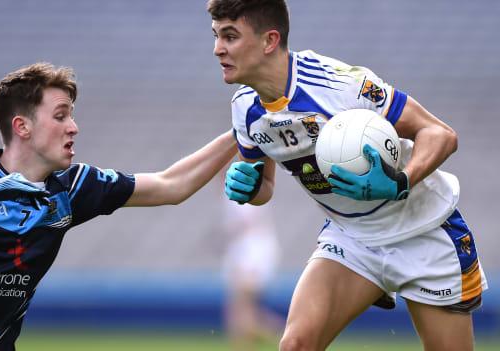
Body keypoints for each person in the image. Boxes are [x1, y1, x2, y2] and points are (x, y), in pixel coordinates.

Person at [0, 62, 237, 350]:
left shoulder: (72, 186)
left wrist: (240, 130)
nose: (74, 127)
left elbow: (170, 186)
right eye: (61, 115)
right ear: (22, 127)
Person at [207, 1, 487, 350]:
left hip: (423, 231)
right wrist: (250, 188)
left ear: (269, 40)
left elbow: (441, 134)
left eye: (230, 37)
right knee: (295, 344)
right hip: (352, 238)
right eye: (217, 36)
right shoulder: (244, 108)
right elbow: (264, 187)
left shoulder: (341, 85)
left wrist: (400, 183)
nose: (218, 48)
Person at [219, 190, 283, 351]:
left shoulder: (240, 188)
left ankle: (289, 337)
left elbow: (248, 223)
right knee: (240, 310)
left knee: (242, 309)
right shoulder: (231, 191)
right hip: (246, 251)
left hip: (252, 252)